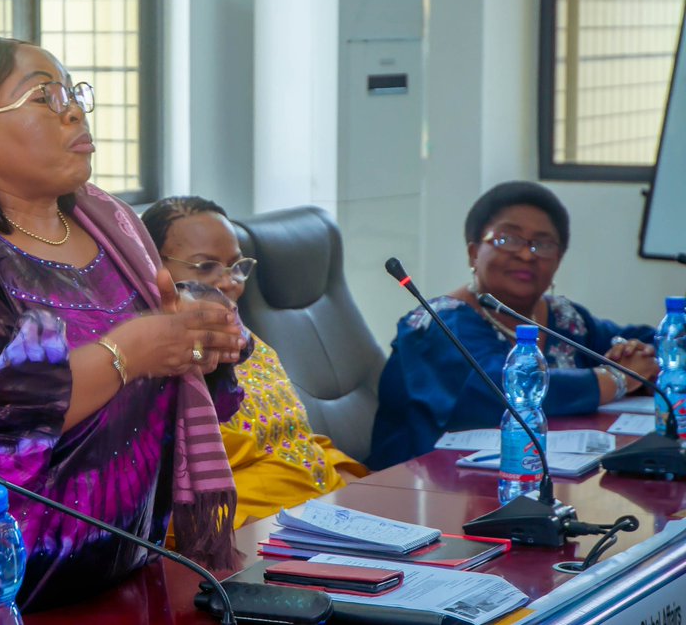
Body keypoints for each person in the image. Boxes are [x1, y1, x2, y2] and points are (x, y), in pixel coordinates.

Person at [0, 31, 248, 625]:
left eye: (72, 91)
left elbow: (157, 363)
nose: (73, 108)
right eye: (43, 96)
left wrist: (193, 343)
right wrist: (131, 351)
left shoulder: (110, 222)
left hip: (125, 574)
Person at [367, 180, 657, 470]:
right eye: (509, 239)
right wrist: (617, 379)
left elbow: (648, 340)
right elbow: (496, 388)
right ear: (473, 252)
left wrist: (642, 355)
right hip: (422, 492)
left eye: (542, 245)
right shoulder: (438, 324)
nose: (526, 254)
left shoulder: (563, 319)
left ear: (557, 261)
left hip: (537, 477)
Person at [142, 196, 368, 528]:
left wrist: (354, 481)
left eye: (237, 266)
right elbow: (177, 505)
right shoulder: (152, 364)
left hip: (321, 516)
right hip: (249, 536)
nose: (230, 282)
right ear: (152, 270)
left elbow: (293, 438)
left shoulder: (250, 343)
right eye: (206, 267)